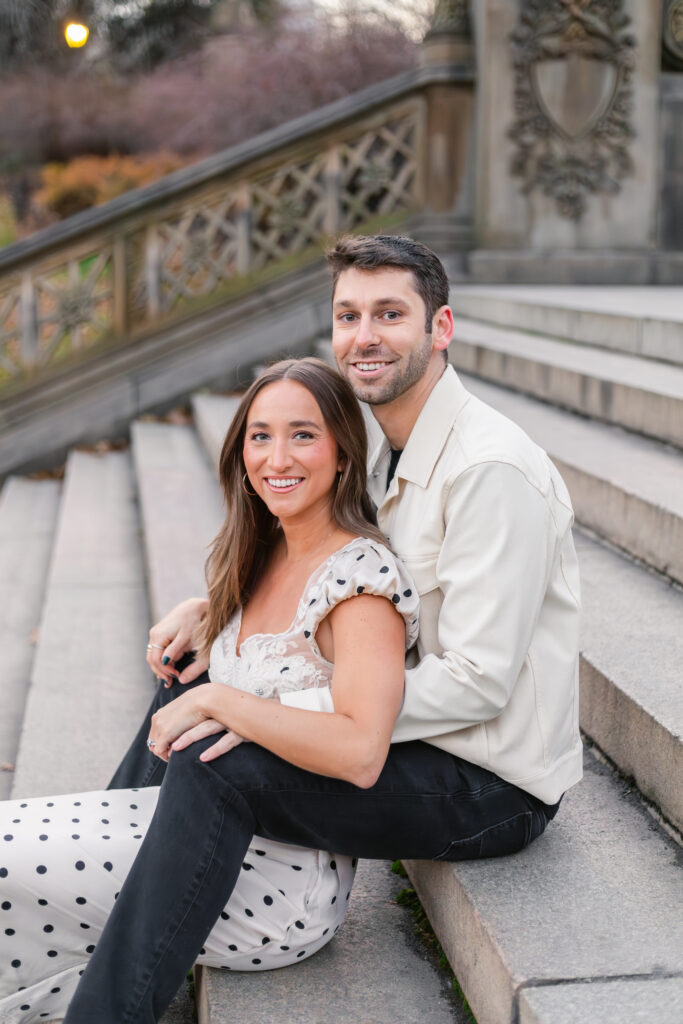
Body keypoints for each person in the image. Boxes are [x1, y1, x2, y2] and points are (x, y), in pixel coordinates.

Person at [13, 233, 582, 1024]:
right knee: (193, 676)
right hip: (407, 729)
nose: (365, 336)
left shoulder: (488, 472)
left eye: (391, 314)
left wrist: (281, 705)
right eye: (349, 314)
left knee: (223, 750)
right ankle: (106, 877)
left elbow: (477, 682)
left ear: (440, 328)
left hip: (484, 780)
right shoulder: (388, 439)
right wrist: (216, 616)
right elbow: (330, 564)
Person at [0, 358, 419, 1024]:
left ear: (343, 453)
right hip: (191, 829)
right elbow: (265, 655)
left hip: (277, 879)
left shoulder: (361, 583)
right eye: (259, 436)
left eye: (302, 435)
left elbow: (362, 750)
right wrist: (206, 613)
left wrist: (221, 700)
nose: (276, 457)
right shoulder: (261, 551)